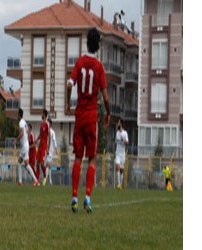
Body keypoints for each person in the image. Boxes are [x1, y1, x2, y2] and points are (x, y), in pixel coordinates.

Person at [67, 27, 111, 213]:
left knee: (78, 157)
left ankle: (74, 197)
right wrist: (108, 113)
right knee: (92, 158)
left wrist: (69, 103)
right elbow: (106, 96)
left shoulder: (79, 62)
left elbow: (70, 83)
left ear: (86, 43)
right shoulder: (99, 67)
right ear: (98, 45)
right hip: (92, 115)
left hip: (79, 115)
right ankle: (87, 197)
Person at [12, 108, 39, 186]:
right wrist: (25, 142)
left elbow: (22, 133)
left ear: (19, 115)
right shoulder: (25, 122)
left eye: (17, 114)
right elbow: (27, 134)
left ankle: (22, 181)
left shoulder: (21, 122)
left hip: (25, 146)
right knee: (24, 164)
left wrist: (16, 140)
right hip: (26, 145)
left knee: (22, 163)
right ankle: (34, 181)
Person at [35, 109, 49, 183]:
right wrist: (36, 139)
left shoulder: (47, 124)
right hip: (40, 145)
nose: (41, 115)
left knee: (42, 163)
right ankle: (37, 179)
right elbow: (40, 135)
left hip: (44, 146)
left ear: (45, 115)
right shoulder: (41, 124)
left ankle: (44, 176)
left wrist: (48, 148)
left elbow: (48, 136)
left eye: (42, 114)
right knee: (37, 162)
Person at [115, 118, 129, 190]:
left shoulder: (125, 133)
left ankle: (121, 183)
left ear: (121, 124)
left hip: (122, 154)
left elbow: (127, 142)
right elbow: (116, 142)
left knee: (121, 170)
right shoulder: (117, 133)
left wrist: (124, 140)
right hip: (117, 153)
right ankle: (119, 184)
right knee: (117, 167)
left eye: (119, 122)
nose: (118, 123)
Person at [44, 118, 58, 186]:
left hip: (50, 151)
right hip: (45, 150)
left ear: (50, 124)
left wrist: (55, 149)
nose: (47, 124)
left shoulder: (52, 132)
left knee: (47, 164)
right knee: (48, 166)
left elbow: (54, 141)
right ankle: (50, 180)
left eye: (48, 123)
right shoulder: (45, 131)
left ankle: (44, 180)